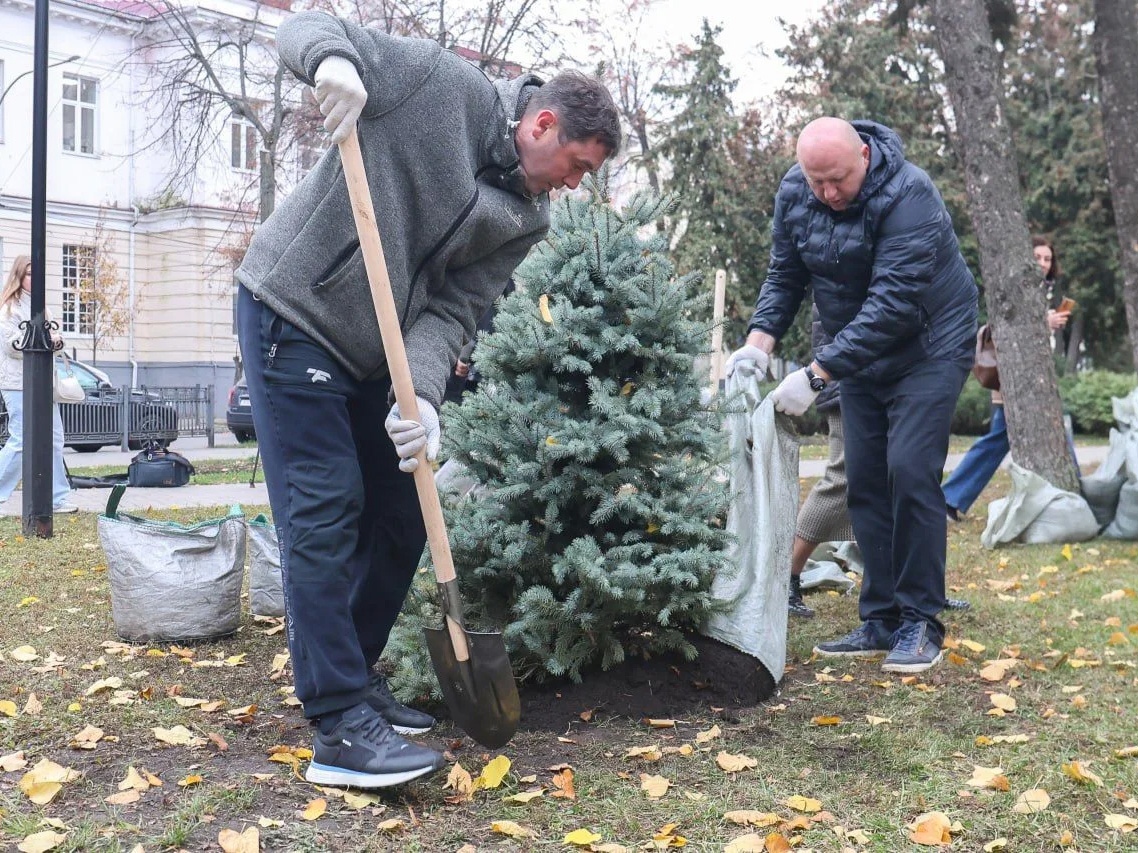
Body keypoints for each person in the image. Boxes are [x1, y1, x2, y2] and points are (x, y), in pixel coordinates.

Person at [234, 11, 620, 789]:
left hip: (378, 352)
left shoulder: (526, 217)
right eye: (576, 165)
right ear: (543, 124)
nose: (574, 185)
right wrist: (332, 65)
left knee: (404, 508)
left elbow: (453, 309)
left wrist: (423, 399)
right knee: (324, 504)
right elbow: (307, 24)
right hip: (295, 311)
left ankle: (354, 671)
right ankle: (338, 722)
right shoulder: (438, 85)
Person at [727, 117, 978, 674]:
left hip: (929, 345)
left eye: (837, 180)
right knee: (864, 479)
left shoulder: (910, 193)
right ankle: (881, 618)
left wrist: (817, 373)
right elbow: (785, 274)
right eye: (816, 181)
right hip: (858, 352)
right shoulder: (796, 191)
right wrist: (757, 345)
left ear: (863, 155)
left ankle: (921, 621)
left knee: (909, 470)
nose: (827, 193)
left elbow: (892, 304)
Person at [942, 236, 1074, 520]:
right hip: (1014, 387)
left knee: (1010, 438)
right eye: (1037, 257)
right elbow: (1007, 327)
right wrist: (1045, 322)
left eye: (1047, 259)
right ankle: (948, 499)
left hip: (1034, 385)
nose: (1043, 263)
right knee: (1004, 439)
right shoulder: (1016, 286)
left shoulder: (1041, 292)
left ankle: (950, 499)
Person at [0, 255, 77, 513]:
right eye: (30, 274)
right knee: (21, 440)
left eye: (38, 274)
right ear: (19, 276)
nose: (35, 279)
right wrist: (42, 339)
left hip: (43, 383)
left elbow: (57, 339)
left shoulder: (43, 307)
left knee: (54, 438)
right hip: (16, 384)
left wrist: (56, 341)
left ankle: (57, 498)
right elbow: (12, 346)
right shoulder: (9, 308)